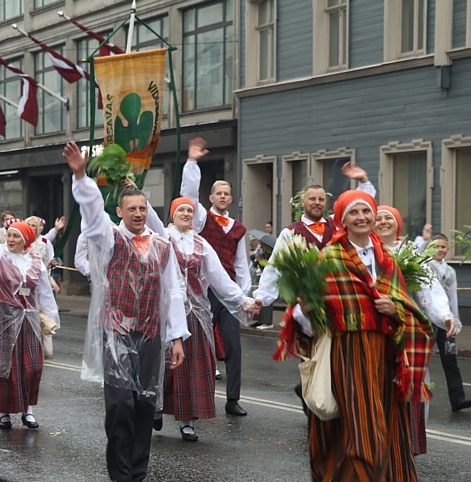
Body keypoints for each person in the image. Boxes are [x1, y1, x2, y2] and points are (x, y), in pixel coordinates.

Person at [284, 190, 432, 482]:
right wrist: (309, 311)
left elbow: (408, 310)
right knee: (365, 431)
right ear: (342, 219)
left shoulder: (387, 261)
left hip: (381, 357)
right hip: (345, 354)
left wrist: (394, 310)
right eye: (354, 213)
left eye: (367, 210)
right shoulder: (328, 257)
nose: (362, 217)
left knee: (356, 431)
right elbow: (303, 313)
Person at [64, 141, 188, 482]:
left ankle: (137, 476)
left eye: (143, 208)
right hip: (117, 334)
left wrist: (176, 338)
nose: (137, 213)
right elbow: (90, 213)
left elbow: (173, 293)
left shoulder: (163, 246)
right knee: (120, 406)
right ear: (119, 210)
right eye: (131, 208)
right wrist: (81, 176)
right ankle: (120, 478)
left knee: (146, 405)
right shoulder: (109, 239)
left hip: (150, 336)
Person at [254, 162, 376, 411]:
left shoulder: (337, 225)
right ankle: (312, 397)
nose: (317, 203)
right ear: (303, 203)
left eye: (321, 199)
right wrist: (261, 298)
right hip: (306, 305)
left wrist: (363, 181)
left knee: (335, 354)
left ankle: (328, 399)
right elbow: (276, 264)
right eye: (312, 199)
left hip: (339, 300)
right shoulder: (291, 233)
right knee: (311, 355)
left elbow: (362, 205)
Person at [146, 197, 257, 441]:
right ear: (172, 214)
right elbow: (150, 216)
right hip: (165, 312)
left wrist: (242, 300)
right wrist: (135, 190)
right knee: (162, 364)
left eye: (189, 210)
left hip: (196, 313)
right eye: (180, 210)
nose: (185, 214)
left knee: (191, 368)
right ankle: (155, 406)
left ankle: (187, 421)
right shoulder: (163, 237)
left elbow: (219, 278)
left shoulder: (201, 243)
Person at [0, 203, 59, 430]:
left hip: (28, 320)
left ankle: (28, 411)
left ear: (26, 239)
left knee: (31, 367)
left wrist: (52, 319)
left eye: (16, 236)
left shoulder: (36, 263)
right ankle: (5, 412)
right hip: (3, 319)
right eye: (9, 235)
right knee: (4, 367)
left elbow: (44, 293)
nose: (11, 239)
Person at [373, 205, 453, 455]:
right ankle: (377, 447)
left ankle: (405, 449)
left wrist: (445, 315)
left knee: (409, 390)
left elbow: (430, 291)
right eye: (379, 218)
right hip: (374, 332)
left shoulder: (412, 255)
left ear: (398, 224)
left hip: (408, 335)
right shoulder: (365, 253)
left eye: (389, 218)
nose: (383, 221)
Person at [180, 138, 251, 415]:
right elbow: (187, 194)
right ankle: (198, 395)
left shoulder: (238, 228)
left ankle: (233, 399)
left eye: (226, 193)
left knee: (234, 346)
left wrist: (243, 295)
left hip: (228, 293)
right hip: (203, 291)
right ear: (210, 198)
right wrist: (192, 162)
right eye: (218, 193)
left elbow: (241, 264)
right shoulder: (199, 218)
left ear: (231, 198)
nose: (222, 197)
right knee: (199, 344)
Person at [428, 233, 470, 412]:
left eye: (443, 247)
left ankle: (457, 399)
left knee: (450, 359)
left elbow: (452, 297)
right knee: (422, 359)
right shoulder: (425, 266)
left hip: (446, 323)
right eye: (436, 246)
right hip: (428, 320)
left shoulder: (451, 272)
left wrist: (456, 320)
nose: (440, 250)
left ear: (448, 249)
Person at [25, 216, 60, 360]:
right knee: (28, 314)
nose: (33, 228)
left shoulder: (45, 242)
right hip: (25, 285)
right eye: (30, 225)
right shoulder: (22, 242)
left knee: (44, 313)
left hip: (41, 283)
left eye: (35, 225)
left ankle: (47, 348)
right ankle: (29, 346)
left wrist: (51, 274)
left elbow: (49, 263)